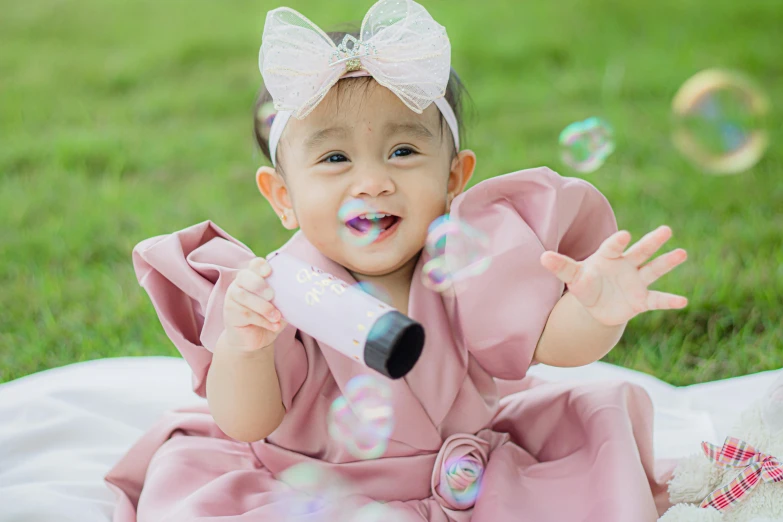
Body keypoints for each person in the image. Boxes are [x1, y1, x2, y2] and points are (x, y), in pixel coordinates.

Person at [105, 0, 690, 520]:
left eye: (404, 150)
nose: (373, 181)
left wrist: (597, 313)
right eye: (334, 158)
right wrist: (244, 345)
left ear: (455, 177)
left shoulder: (471, 261)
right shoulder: (281, 288)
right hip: (305, 489)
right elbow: (246, 421)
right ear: (282, 197)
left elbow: (554, 345)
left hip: (469, 476)